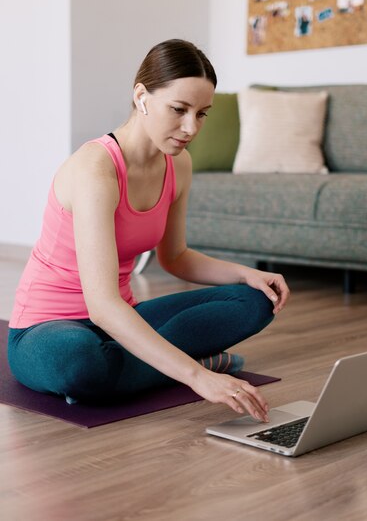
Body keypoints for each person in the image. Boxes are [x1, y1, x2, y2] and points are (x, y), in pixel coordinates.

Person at [8, 39, 290, 423]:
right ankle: (182, 363)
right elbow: (102, 305)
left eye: (202, 114)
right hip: (48, 330)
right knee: (81, 363)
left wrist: (247, 274)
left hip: (121, 320)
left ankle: (132, 370)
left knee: (255, 302)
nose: (191, 127)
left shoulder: (179, 165)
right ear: (141, 97)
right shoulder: (96, 170)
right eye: (179, 109)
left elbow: (174, 257)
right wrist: (198, 377)